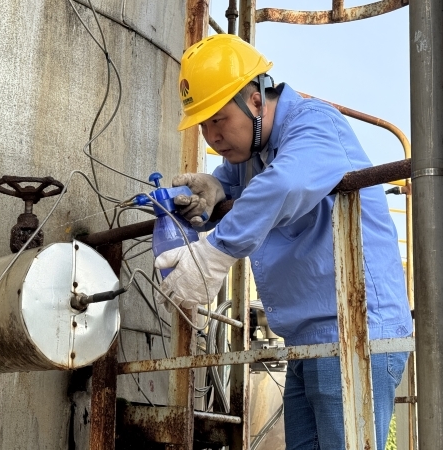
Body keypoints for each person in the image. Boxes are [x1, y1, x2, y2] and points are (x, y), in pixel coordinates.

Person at [154, 34, 413, 449]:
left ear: (256, 100)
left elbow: (284, 184)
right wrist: (215, 188)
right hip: (308, 335)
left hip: (355, 327)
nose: (211, 136)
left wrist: (216, 251)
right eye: (202, 124)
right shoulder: (251, 155)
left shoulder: (314, 124)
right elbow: (239, 187)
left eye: (218, 119)